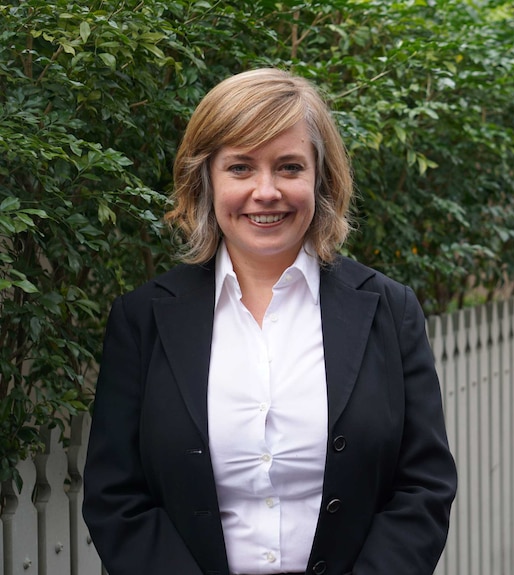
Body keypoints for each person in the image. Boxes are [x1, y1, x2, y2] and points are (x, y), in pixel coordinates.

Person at [82, 68, 457, 575]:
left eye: (288, 167)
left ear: (319, 179)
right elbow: (116, 497)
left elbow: (423, 486)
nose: (266, 191)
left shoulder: (389, 310)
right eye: (239, 168)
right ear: (206, 179)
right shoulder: (143, 319)